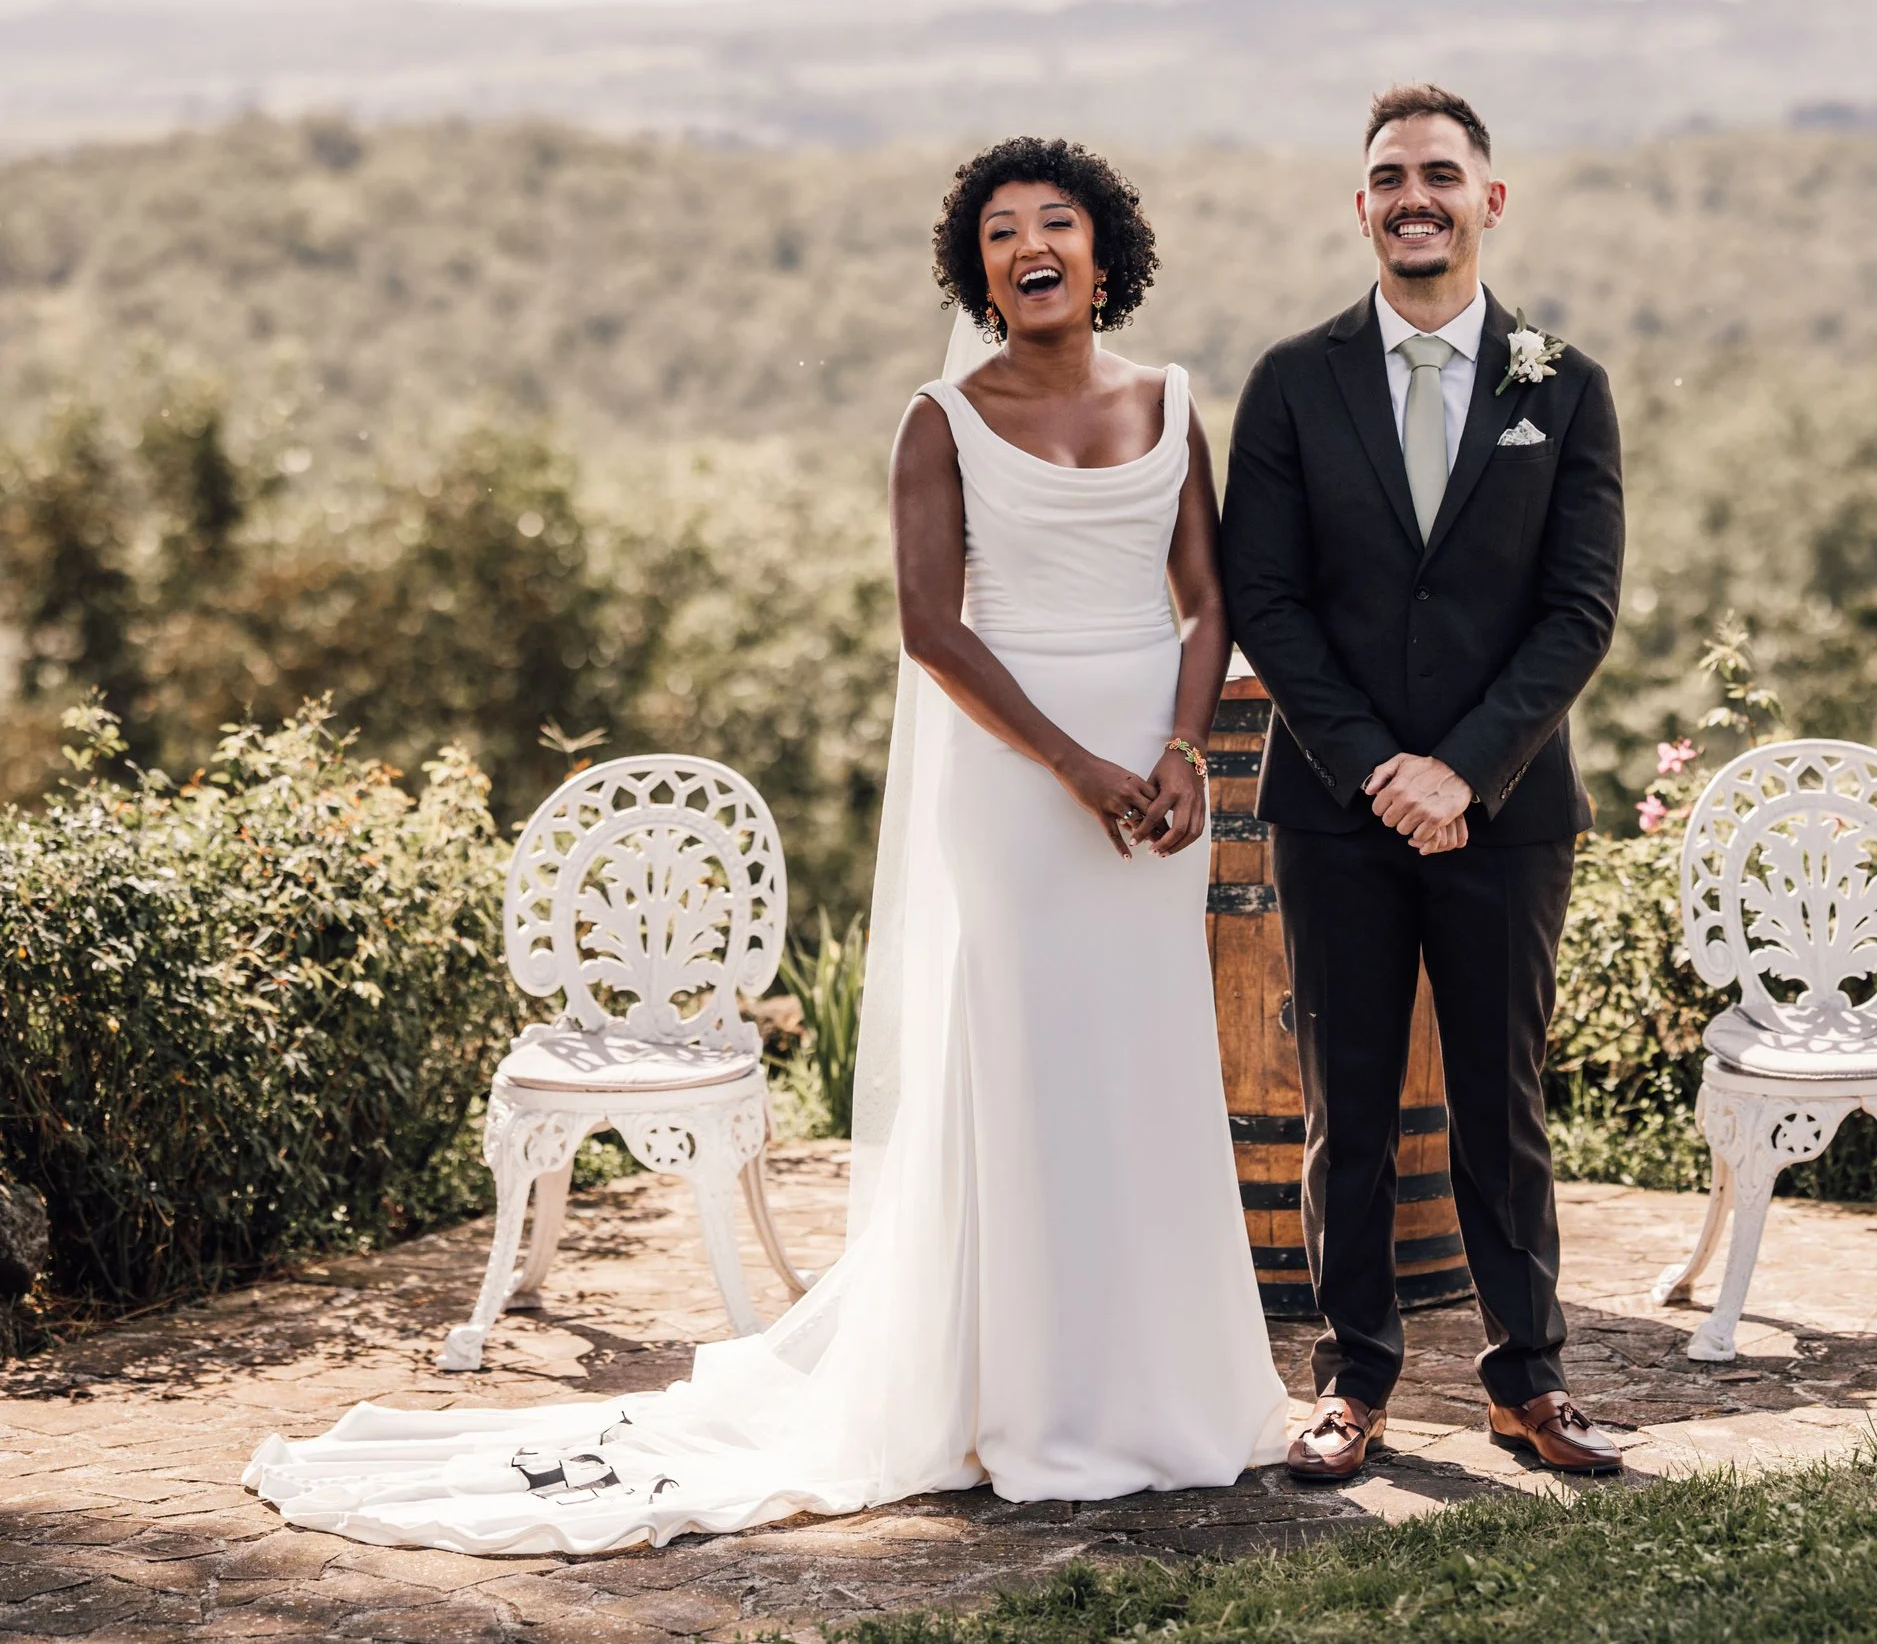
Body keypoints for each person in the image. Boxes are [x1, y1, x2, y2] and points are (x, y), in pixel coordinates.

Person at [241, 138, 1291, 1555]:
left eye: (1058, 222)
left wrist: (1172, 755)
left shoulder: (1172, 405)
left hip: (1157, 790)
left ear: (1108, 253)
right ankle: (1033, 1401)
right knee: (1031, 1072)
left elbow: (1208, 602)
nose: (1030, 244)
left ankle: (1171, 1390)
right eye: (999, 231)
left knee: (1147, 1070)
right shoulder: (942, 418)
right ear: (975, 268)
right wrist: (1079, 765)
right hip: (1022, 782)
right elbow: (933, 630)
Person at [1220, 84, 1626, 1482]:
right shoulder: (1290, 380)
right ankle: (1352, 1381)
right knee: (1347, 1106)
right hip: (1335, 810)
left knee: (1501, 1100)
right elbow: (1265, 600)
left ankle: (1530, 1380)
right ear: (1362, 206)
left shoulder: (1562, 385)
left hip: (1507, 814)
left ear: (1488, 201)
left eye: (1441, 174)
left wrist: (1462, 770)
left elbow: (1578, 611)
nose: (1416, 195)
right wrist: (1378, 765)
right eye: (1390, 174)